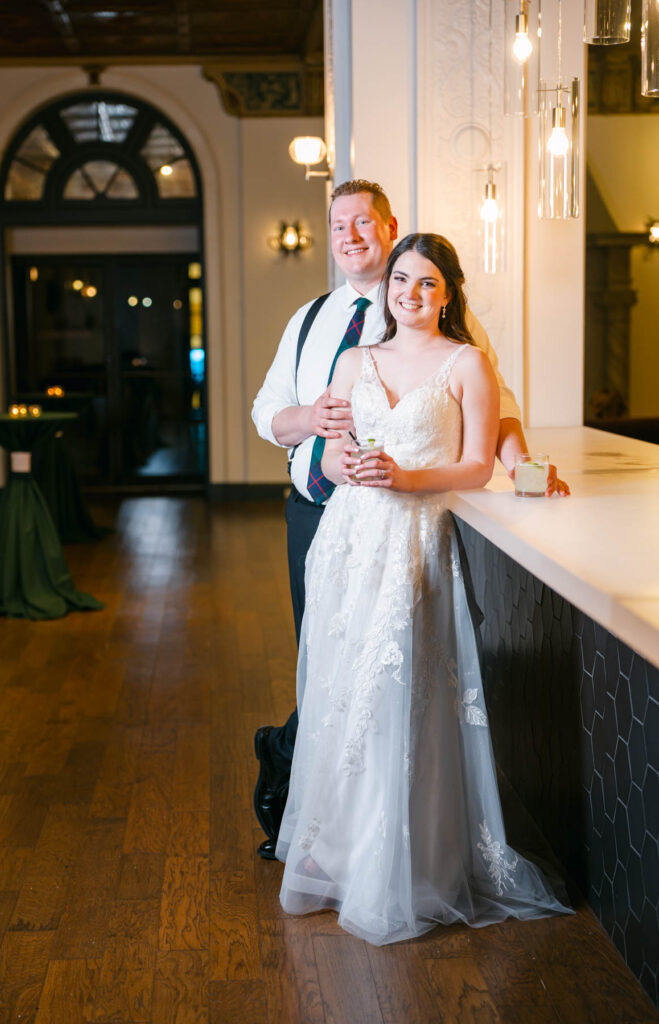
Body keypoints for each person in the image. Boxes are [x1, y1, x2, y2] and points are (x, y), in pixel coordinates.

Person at [251, 179, 569, 860]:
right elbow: (268, 415)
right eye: (338, 227)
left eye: (364, 223)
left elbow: (494, 407)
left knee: (396, 670)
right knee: (329, 662)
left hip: (412, 528)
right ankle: (321, 805)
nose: (351, 236)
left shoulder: (447, 328)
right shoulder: (311, 322)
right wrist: (314, 426)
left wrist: (526, 470)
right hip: (321, 518)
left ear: (389, 227)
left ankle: (339, 803)